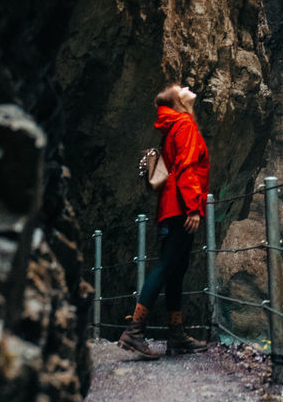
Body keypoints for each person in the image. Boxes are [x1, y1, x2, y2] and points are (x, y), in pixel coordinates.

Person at [118, 83, 210, 360]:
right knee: (167, 266)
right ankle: (134, 331)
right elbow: (186, 167)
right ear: (178, 101)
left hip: (171, 206)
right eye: (180, 88)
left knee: (176, 269)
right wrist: (193, 207)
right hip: (181, 206)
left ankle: (176, 335)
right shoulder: (184, 124)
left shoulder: (175, 125)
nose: (186, 87)